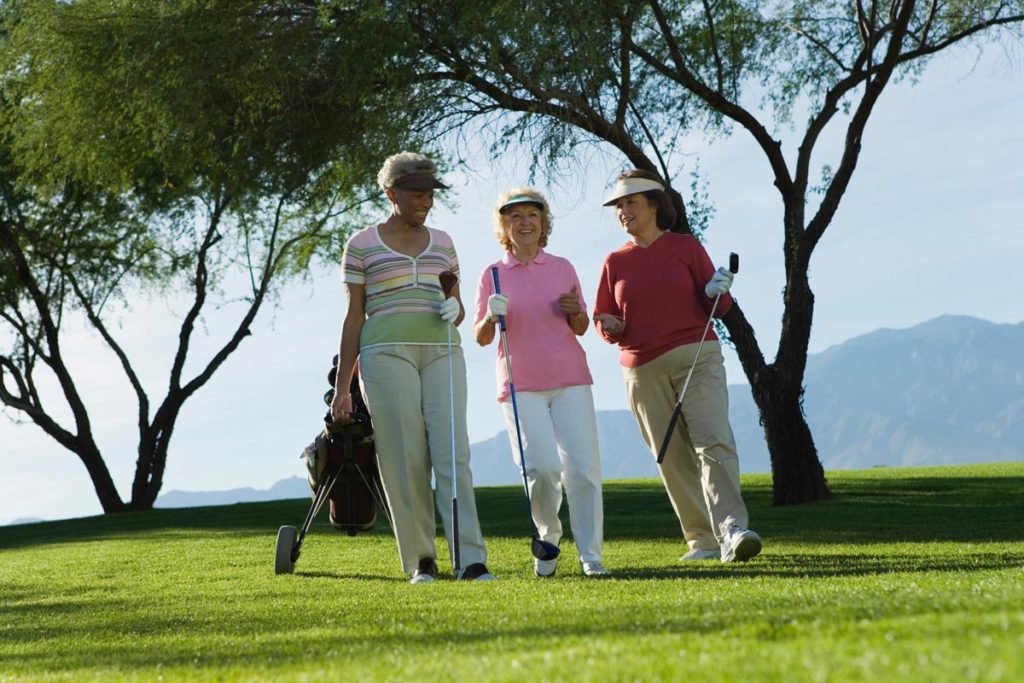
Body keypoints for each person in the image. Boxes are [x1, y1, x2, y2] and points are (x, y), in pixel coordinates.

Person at [330, 151, 495, 583]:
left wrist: (453, 307)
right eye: (418, 193)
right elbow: (354, 317)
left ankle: (471, 559)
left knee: (452, 453)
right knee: (405, 457)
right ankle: (422, 560)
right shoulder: (362, 244)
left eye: (430, 194)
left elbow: (457, 310)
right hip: (385, 353)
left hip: (441, 349)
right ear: (392, 193)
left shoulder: (444, 242)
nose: (426, 201)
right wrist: (343, 387)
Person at [592, 169, 762, 563]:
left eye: (630, 202)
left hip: (697, 356)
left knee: (713, 440)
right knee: (671, 456)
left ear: (654, 203)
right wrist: (610, 325)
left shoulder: (686, 247)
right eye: (618, 206)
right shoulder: (614, 262)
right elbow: (605, 316)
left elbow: (717, 307)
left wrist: (716, 290)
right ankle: (702, 541)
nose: (623, 211)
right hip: (641, 369)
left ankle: (732, 529)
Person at [473, 187, 608, 578]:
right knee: (543, 469)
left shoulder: (563, 267)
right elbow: (482, 337)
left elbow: (581, 326)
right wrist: (489, 317)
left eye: (532, 215)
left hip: (570, 379)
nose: (525, 222)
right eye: (515, 217)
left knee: (583, 470)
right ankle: (548, 538)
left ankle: (591, 556)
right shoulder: (492, 275)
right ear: (504, 226)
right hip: (520, 385)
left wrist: (573, 312)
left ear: (543, 222)